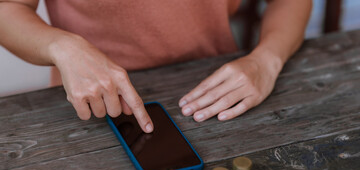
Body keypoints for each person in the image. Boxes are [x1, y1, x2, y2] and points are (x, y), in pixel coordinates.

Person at [0, 0, 312, 133]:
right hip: (90, 104)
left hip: (217, 87)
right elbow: (9, 9)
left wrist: (267, 59)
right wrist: (63, 47)